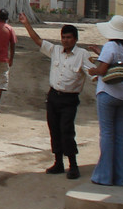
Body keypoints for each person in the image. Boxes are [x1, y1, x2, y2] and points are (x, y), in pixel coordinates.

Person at [17, 12, 97, 179]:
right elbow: (38, 40)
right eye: (63, 37)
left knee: (67, 131)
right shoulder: (56, 51)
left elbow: (94, 75)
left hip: (69, 99)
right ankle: (58, 162)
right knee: (54, 129)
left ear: (75, 39)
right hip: (53, 96)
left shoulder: (82, 55)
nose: (65, 40)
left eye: (68, 37)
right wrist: (26, 24)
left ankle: (73, 165)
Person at [88, 14, 123, 186]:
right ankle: (120, 176)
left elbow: (102, 69)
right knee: (120, 136)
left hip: (108, 93)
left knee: (107, 135)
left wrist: (92, 71)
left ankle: (104, 176)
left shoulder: (110, 45)